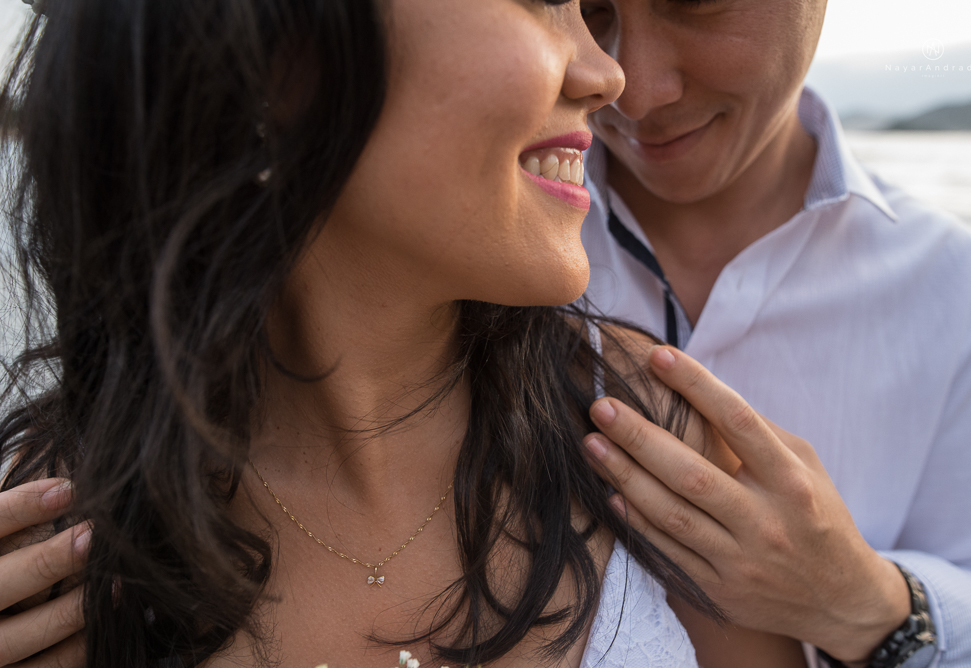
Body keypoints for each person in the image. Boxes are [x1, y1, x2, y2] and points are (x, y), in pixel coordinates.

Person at [0, 0, 808, 666]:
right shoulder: (57, 537)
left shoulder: (646, 435)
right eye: (540, 3)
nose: (608, 74)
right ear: (275, 58)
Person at [570, 0, 971, 666]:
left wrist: (867, 600)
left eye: (692, 3)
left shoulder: (955, 285)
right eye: (587, 9)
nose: (637, 92)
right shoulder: (472, 256)